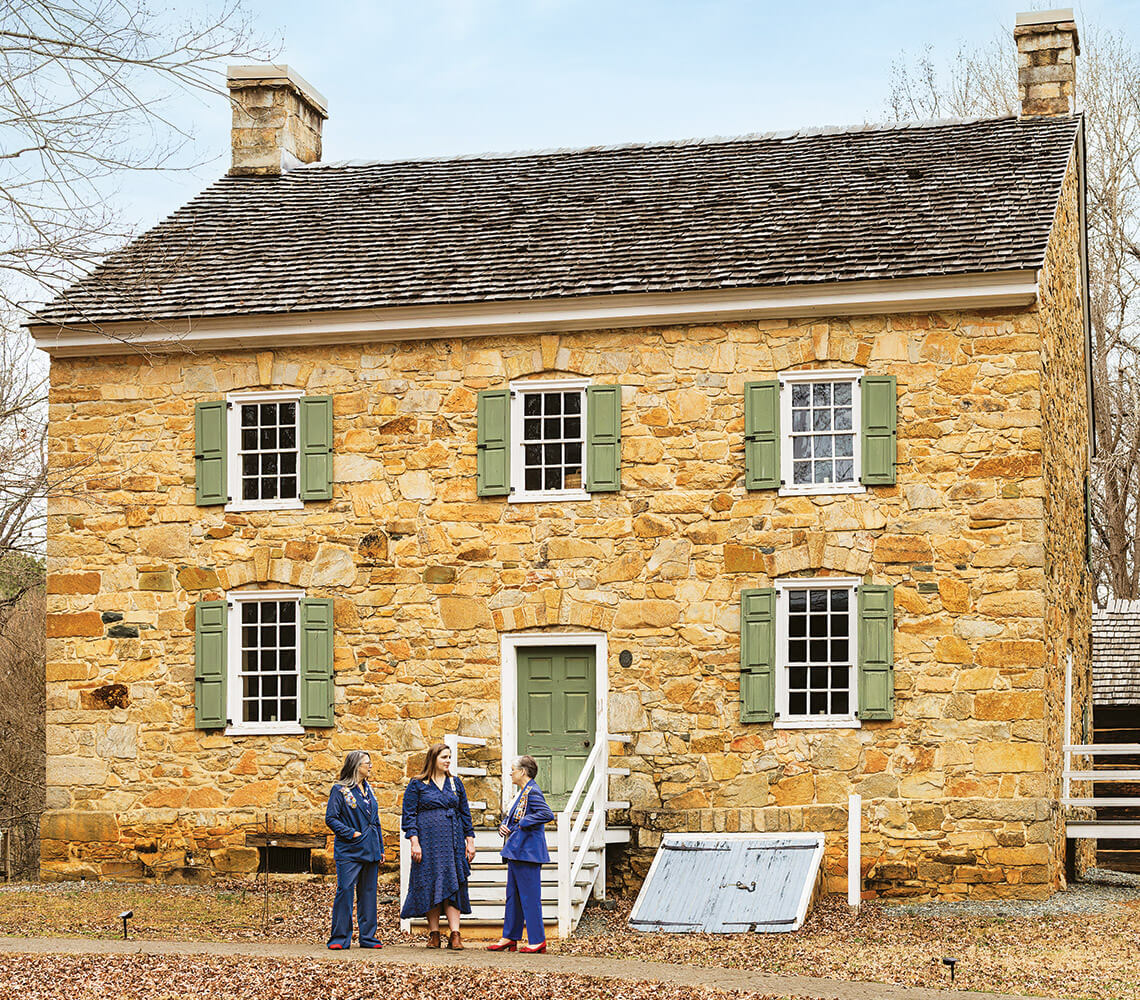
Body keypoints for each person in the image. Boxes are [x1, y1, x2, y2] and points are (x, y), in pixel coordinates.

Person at [399, 742, 477, 949]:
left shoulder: (455, 783)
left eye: (449, 757)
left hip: (452, 841)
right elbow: (409, 816)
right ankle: (434, 934)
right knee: (429, 882)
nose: (448, 761)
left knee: (454, 884)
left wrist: (470, 840)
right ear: (433, 759)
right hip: (428, 843)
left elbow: (465, 813)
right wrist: (414, 841)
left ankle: (455, 934)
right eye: (444, 757)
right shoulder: (417, 784)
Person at [487, 754, 554, 954]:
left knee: (529, 897)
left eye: (513, 770)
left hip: (528, 853)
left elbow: (546, 814)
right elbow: (515, 816)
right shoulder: (523, 792)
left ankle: (537, 940)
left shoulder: (533, 792)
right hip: (517, 851)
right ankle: (509, 937)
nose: (510, 773)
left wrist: (520, 825)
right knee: (513, 896)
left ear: (523, 772)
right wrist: (506, 826)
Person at [324, 750, 384, 950]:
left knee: (368, 893)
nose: (370, 766)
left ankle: (368, 938)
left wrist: (380, 847)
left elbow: (375, 821)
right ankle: (339, 938)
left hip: (371, 848)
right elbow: (331, 818)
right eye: (367, 763)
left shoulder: (370, 790)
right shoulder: (339, 790)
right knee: (346, 890)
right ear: (356, 766)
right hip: (349, 850)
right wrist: (351, 834)